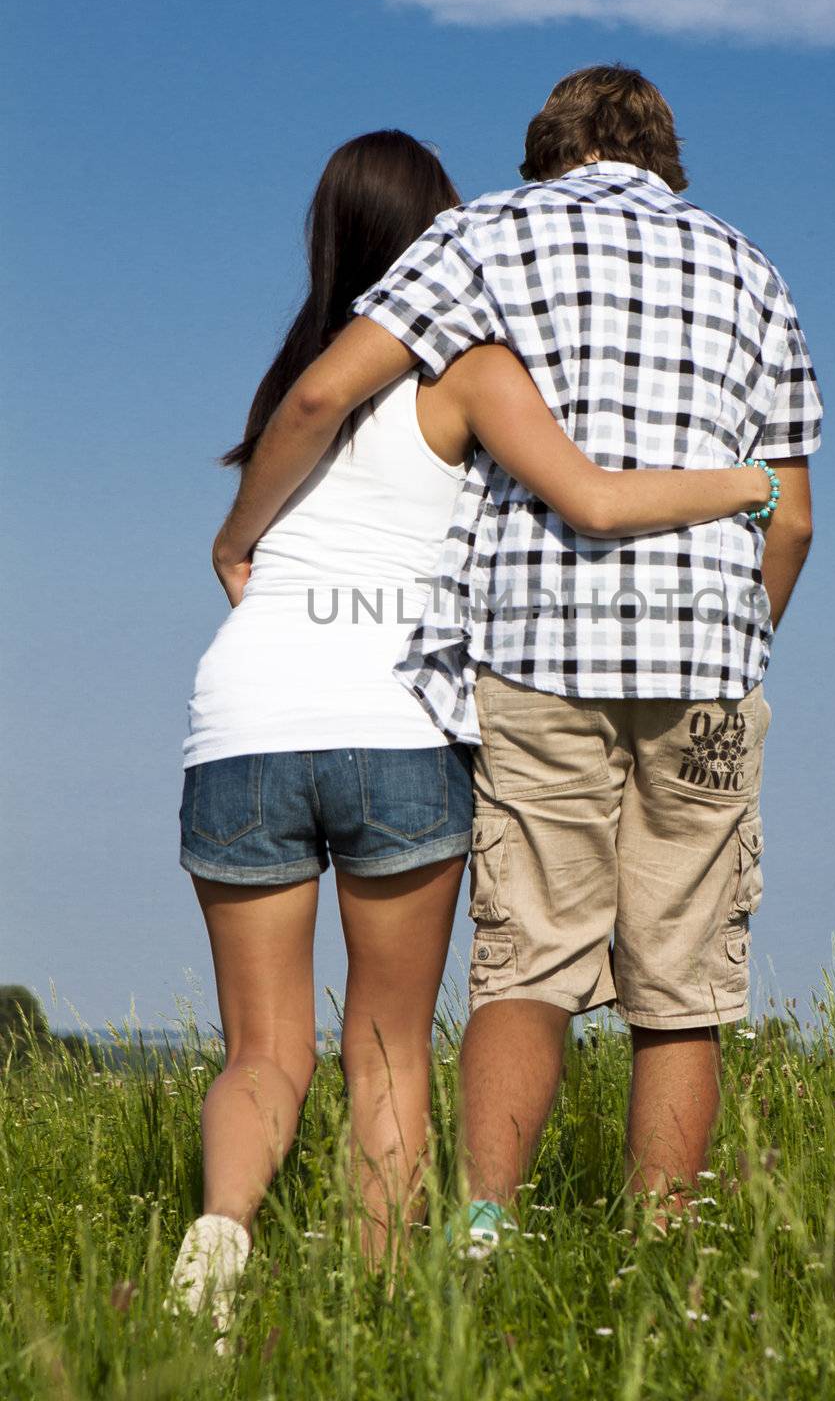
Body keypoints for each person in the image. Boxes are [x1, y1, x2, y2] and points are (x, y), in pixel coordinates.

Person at [170, 127, 775, 1334]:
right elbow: (593, 500)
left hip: (239, 723)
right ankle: (383, 1313)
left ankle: (220, 1238)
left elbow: (311, 407)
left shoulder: (286, 387)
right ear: (445, 231)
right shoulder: (474, 372)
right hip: (400, 725)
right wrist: (747, 485)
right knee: (386, 1046)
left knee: (260, 1049)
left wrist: (235, 536)